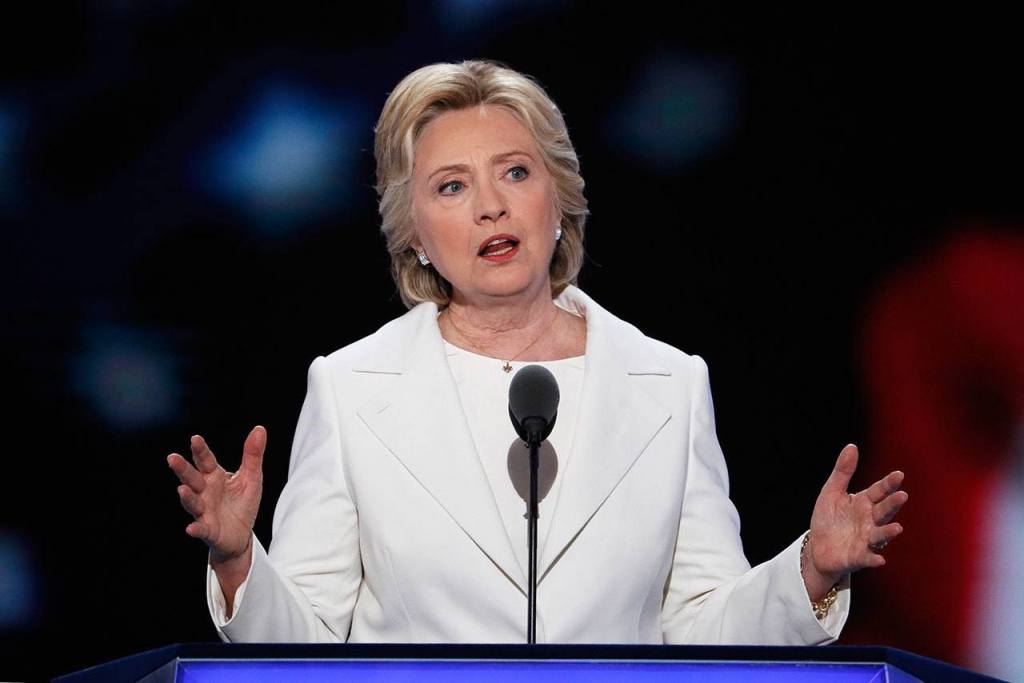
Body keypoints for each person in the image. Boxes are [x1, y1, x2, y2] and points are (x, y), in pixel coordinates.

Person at [166, 59, 908, 644]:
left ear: (559, 200)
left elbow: (701, 630)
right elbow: (308, 646)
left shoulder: (670, 383)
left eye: (515, 173)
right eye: (452, 186)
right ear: (415, 235)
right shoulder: (351, 387)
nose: (491, 204)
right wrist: (239, 564)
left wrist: (808, 570)